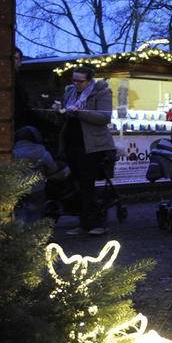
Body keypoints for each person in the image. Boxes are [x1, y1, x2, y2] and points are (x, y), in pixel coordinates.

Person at [57, 67, 116, 236]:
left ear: (89, 80)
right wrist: (60, 111)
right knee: (77, 184)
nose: (76, 84)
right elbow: (66, 115)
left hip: (92, 145)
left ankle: (97, 223)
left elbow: (104, 118)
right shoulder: (70, 92)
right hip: (72, 142)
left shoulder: (102, 92)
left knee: (87, 184)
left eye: (80, 81)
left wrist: (80, 112)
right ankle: (84, 223)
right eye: (74, 80)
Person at [14, 125, 67, 223]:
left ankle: (19, 234)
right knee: (36, 212)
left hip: (16, 188)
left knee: (19, 212)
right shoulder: (41, 151)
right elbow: (53, 167)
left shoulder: (13, 152)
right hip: (37, 188)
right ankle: (34, 233)